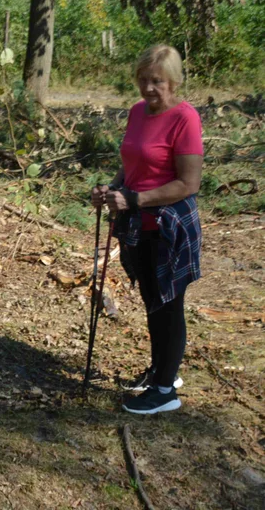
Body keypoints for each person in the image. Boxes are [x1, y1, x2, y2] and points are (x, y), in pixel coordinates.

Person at [91, 44, 202, 415]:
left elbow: (188, 183)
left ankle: (166, 391)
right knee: (153, 300)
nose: (149, 88)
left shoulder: (185, 118)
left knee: (169, 303)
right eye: (143, 80)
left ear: (174, 81)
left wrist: (136, 199)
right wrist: (113, 189)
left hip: (169, 225)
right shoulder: (138, 112)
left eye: (157, 81)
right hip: (139, 223)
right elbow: (131, 165)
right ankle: (160, 371)